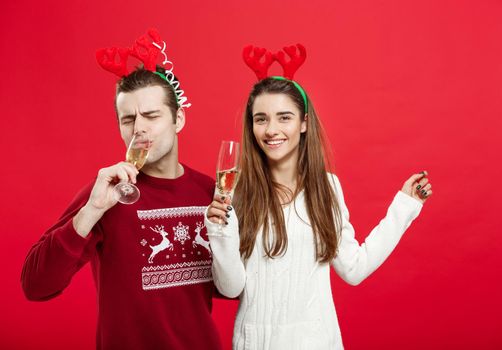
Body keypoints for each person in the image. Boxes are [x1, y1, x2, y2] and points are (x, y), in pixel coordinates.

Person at [205, 44, 433, 349]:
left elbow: (353, 268)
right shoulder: (236, 190)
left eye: (284, 117)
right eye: (261, 119)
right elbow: (231, 288)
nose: (271, 129)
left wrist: (404, 207)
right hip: (254, 342)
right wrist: (220, 232)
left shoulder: (327, 187)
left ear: (304, 123)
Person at [21, 29, 222, 349]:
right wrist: (91, 212)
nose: (139, 127)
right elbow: (36, 285)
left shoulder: (209, 192)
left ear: (178, 118)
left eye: (151, 115)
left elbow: (229, 287)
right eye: (128, 119)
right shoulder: (106, 193)